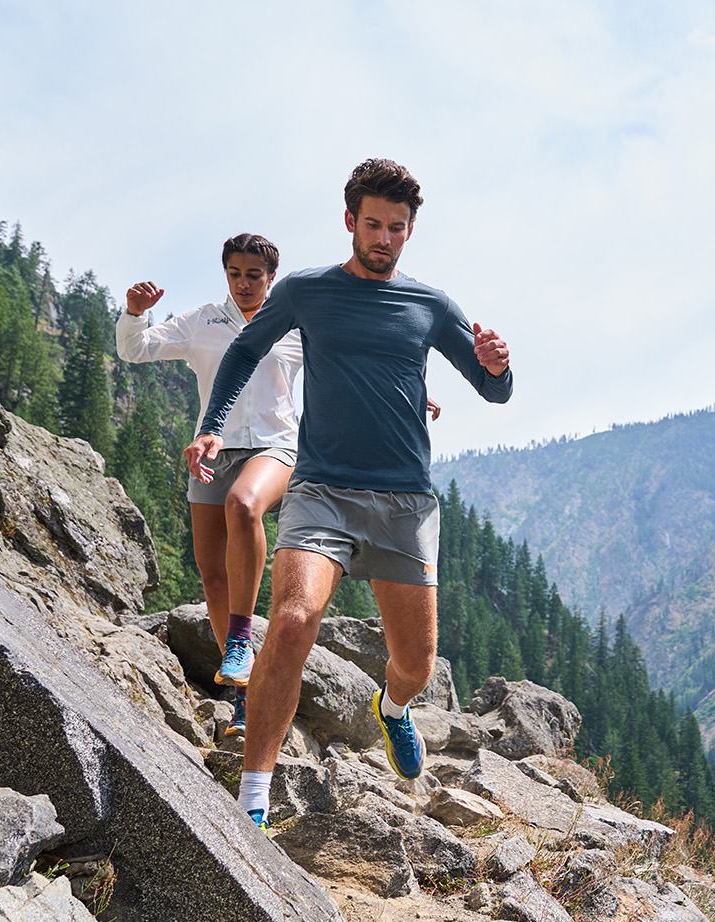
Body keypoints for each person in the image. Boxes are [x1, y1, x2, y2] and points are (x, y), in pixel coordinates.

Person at [186, 159, 512, 829]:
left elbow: (491, 389)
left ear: (410, 231)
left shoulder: (430, 305)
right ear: (349, 222)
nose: (384, 238)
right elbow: (245, 351)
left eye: (397, 228)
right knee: (296, 618)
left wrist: (500, 367)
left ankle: (391, 710)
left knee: (416, 666)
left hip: (404, 503)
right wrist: (213, 428)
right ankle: (253, 795)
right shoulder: (307, 292)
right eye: (372, 225)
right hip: (322, 490)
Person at [116, 234, 303, 741]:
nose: (244, 284)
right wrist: (134, 313)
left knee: (245, 507)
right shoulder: (203, 322)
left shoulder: (294, 326)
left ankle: (240, 639)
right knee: (213, 576)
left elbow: (351, 370)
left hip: (274, 448)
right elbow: (136, 349)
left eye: (255, 276)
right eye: (235, 274)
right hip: (211, 452)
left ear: (271, 278)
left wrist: (413, 396)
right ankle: (244, 688)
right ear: (225, 274)